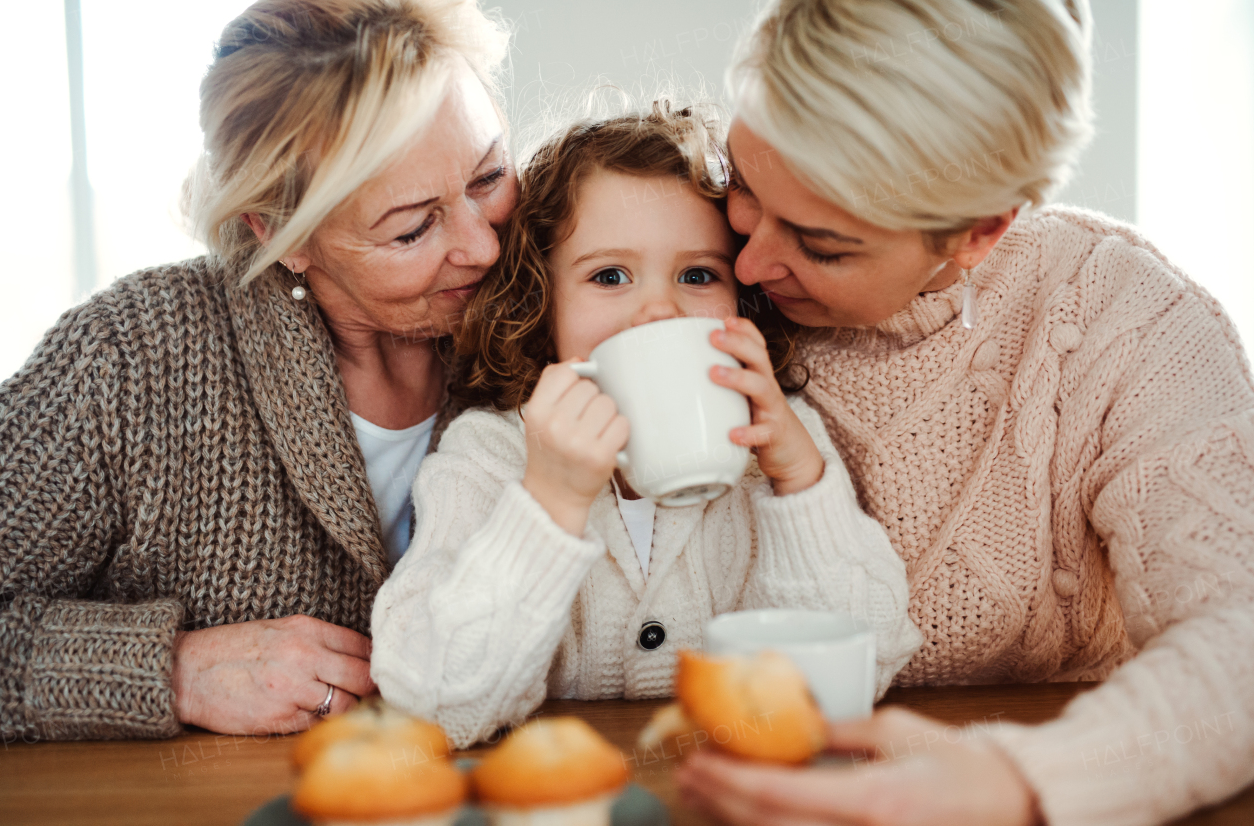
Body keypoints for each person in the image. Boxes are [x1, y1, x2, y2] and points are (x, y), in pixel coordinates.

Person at [675, 1, 1254, 825]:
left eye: (823, 245)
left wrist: (1019, 781)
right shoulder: (688, 266)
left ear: (981, 232)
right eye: (742, 183)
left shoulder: (1133, 326)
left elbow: (1243, 642)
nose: (750, 257)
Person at [0, 0, 517, 741]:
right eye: (413, 227)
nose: (484, 247)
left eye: (488, 177)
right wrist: (171, 671)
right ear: (279, 231)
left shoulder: (557, 294)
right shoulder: (131, 361)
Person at [369, 104, 925, 748]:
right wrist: (550, 503)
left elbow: (868, 664)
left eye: (697, 275)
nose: (659, 309)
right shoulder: (491, 453)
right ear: (542, 303)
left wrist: (801, 484)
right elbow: (430, 703)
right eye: (610, 275)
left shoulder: (779, 444)